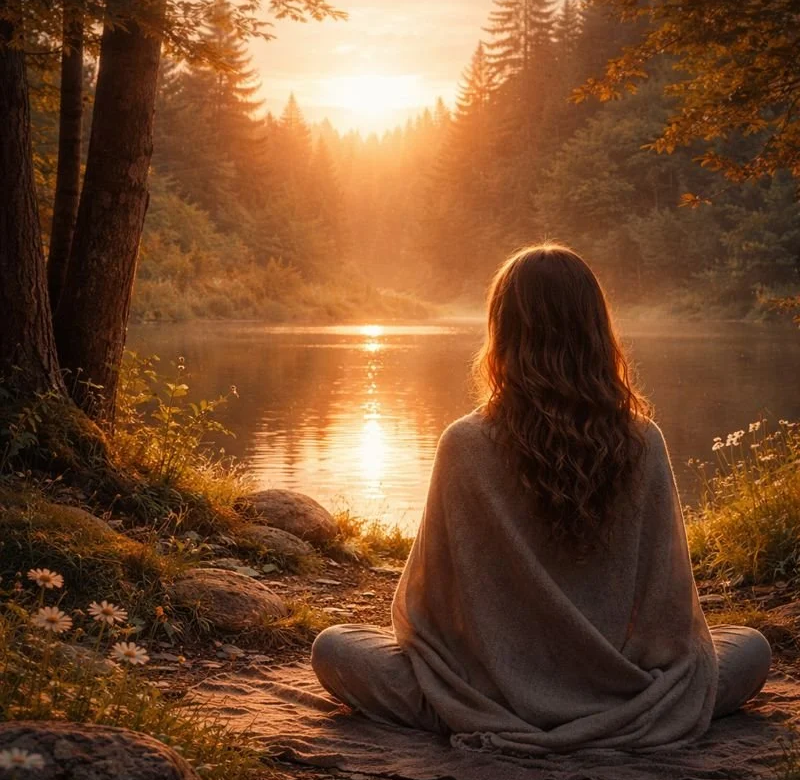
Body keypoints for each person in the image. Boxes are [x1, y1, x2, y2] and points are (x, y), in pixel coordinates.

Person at [311, 245, 772, 754]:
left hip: (492, 696)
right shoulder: (644, 441)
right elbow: (670, 612)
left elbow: (428, 609)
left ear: (503, 331)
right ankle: (606, 715)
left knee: (334, 648)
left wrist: (494, 667)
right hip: (628, 696)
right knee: (748, 650)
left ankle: (499, 710)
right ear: (596, 331)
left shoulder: (465, 443)